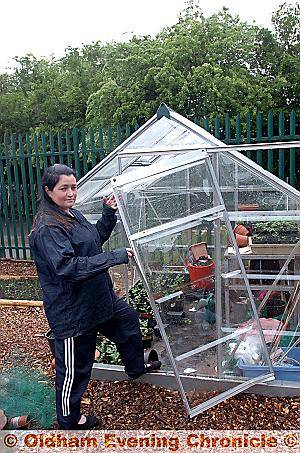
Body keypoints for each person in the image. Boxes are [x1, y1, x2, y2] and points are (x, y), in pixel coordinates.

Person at [29, 164, 161, 430]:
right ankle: (69, 420)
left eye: (73, 187)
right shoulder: (48, 227)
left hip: (99, 299)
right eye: (63, 188)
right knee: (74, 369)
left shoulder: (71, 215)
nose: (71, 193)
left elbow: (93, 240)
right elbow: (68, 267)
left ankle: (136, 368)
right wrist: (115, 257)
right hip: (73, 310)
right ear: (48, 190)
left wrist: (108, 214)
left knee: (127, 323)